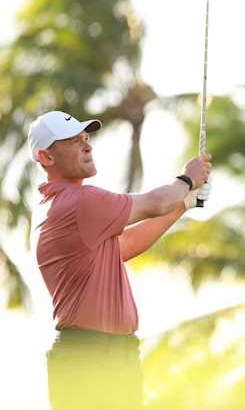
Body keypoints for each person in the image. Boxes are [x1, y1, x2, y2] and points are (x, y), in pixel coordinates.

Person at [26, 110, 212, 410]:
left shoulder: (69, 207)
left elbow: (124, 244)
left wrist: (185, 203)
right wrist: (188, 178)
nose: (87, 146)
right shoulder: (79, 202)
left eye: (86, 138)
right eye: (73, 141)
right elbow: (156, 202)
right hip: (88, 354)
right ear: (46, 157)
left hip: (117, 352)